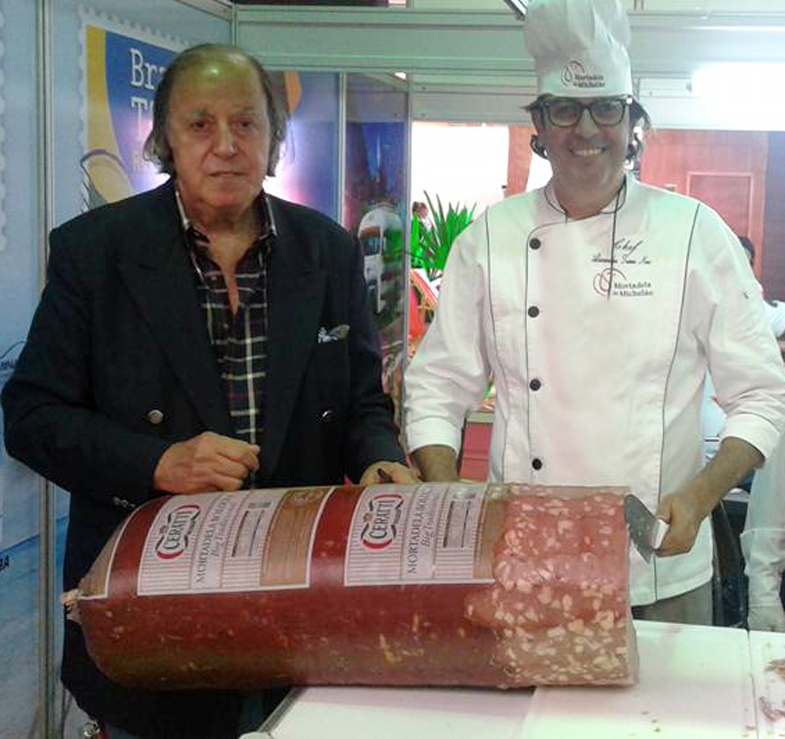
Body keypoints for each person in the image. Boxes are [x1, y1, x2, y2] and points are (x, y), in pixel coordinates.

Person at [2, 44, 415, 739]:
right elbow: (31, 416)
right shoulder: (94, 252)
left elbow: (361, 402)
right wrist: (157, 462)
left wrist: (378, 456)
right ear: (164, 139)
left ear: (273, 138)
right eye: (199, 125)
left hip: (296, 605)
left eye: (246, 123)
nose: (225, 146)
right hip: (154, 611)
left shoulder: (327, 250)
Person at [404, 0, 785, 625]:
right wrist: (450, 496)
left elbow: (763, 394)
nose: (586, 130)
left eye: (606, 107)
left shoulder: (694, 232)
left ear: (631, 121)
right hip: (523, 560)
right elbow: (438, 387)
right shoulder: (491, 238)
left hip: (659, 564)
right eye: (565, 109)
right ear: (540, 123)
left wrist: (700, 495)